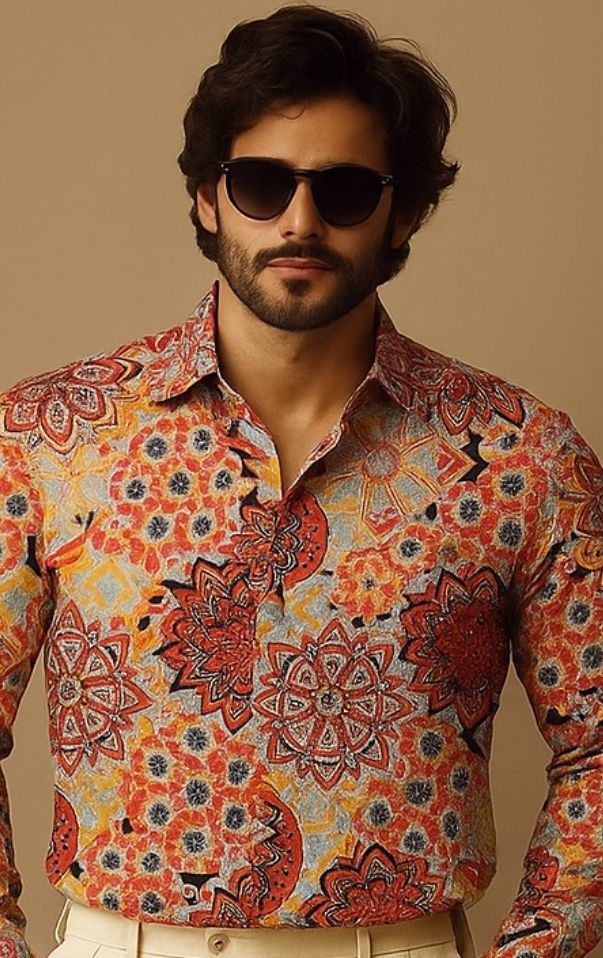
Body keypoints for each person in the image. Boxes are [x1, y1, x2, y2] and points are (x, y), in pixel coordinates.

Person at [0, 4, 601, 957]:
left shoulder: (522, 457)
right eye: (261, 182)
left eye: (346, 190)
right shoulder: (50, 437)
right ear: (208, 197)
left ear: (405, 210)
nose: (299, 221)